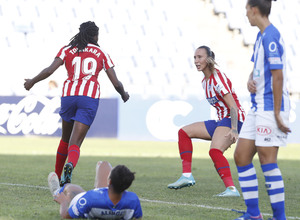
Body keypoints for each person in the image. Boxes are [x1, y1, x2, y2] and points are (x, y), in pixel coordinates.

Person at [24, 21, 129, 187]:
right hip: (88, 98)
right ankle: (70, 166)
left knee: (65, 139)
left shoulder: (67, 49)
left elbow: (49, 70)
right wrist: (124, 94)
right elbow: (116, 82)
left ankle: (57, 177)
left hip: (69, 95)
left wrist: (32, 81)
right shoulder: (101, 52)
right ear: (94, 35)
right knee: (75, 143)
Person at [233, 0, 291, 219]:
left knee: (267, 161)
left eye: (247, 10)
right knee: (241, 156)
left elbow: (278, 76)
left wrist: (276, 113)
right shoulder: (260, 36)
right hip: (258, 107)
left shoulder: (271, 37)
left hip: (269, 109)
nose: (246, 14)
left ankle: (279, 217)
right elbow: (258, 68)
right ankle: (254, 214)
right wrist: (250, 78)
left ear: (254, 10)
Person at [167, 45, 245, 197]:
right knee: (183, 132)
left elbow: (233, 107)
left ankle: (231, 189)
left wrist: (234, 129)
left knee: (215, 151)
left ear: (208, 59)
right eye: (195, 57)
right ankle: (187, 176)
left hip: (233, 119)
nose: (196, 61)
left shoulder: (217, 78)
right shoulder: (205, 81)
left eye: (200, 57)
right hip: (221, 120)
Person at [48, 161, 143, 219]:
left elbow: (66, 216)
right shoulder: (133, 199)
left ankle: (57, 191)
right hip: (107, 197)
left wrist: (64, 202)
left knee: (69, 188)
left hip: (92, 200)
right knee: (104, 164)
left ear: (109, 182)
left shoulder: (88, 199)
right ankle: (100, 168)